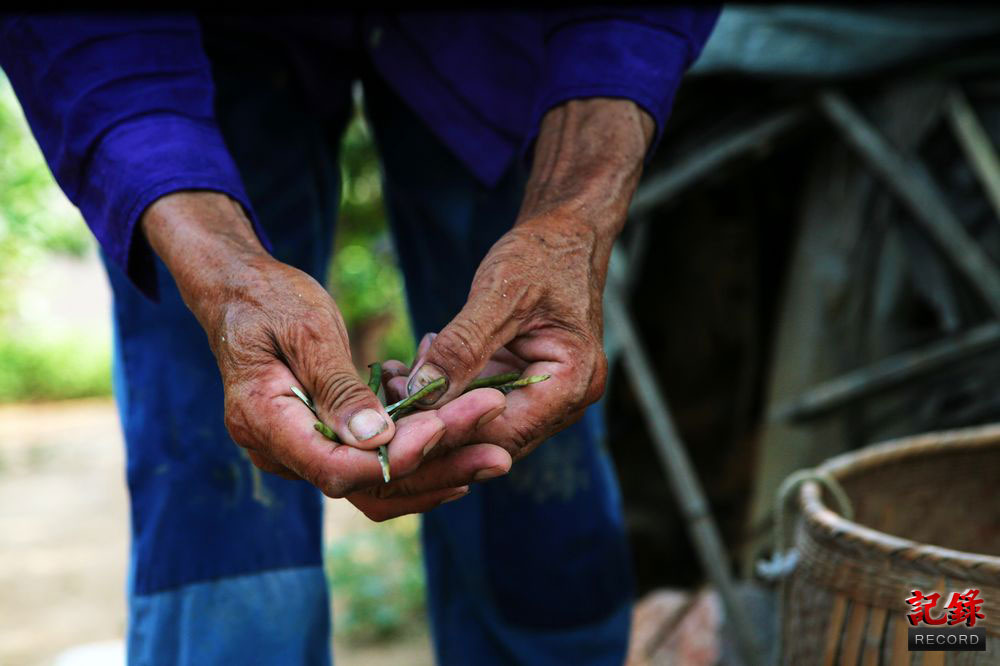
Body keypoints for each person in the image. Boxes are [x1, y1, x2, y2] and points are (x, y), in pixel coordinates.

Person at [0, 10, 718, 665]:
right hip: (195, 41)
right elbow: (82, 38)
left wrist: (574, 219)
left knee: (528, 393)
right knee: (219, 441)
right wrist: (220, 270)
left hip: (500, 32)